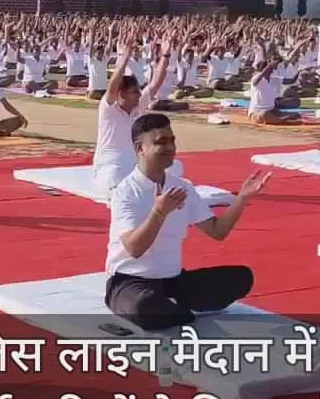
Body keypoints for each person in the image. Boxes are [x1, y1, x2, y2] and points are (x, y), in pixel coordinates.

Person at [104, 113, 271, 330]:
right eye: (160, 142)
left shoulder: (182, 187)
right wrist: (158, 213)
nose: (170, 147)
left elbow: (217, 231)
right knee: (144, 306)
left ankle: (174, 306)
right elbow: (135, 248)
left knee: (241, 278)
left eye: (171, 140)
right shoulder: (126, 192)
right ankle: (175, 309)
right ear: (140, 148)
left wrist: (241, 199)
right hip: (130, 281)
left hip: (173, 281)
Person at [93, 33, 172, 194]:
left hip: (136, 165)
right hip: (110, 165)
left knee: (175, 167)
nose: (138, 95)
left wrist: (165, 54)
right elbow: (113, 84)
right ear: (121, 94)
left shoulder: (138, 106)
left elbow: (156, 82)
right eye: (134, 92)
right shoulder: (108, 108)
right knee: (115, 180)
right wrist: (124, 59)